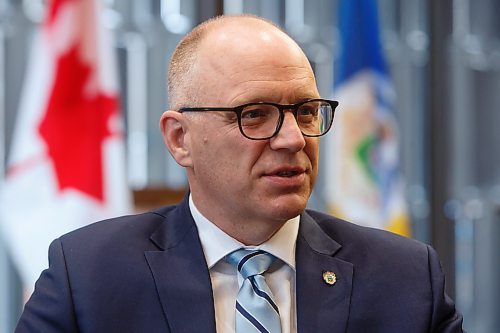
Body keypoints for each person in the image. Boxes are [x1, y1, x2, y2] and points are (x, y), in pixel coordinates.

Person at [16, 15, 463, 333]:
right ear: (179, 139)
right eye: (255, 114)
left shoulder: (406, 279)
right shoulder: (89, 276)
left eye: (306, 111)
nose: (292, 138)